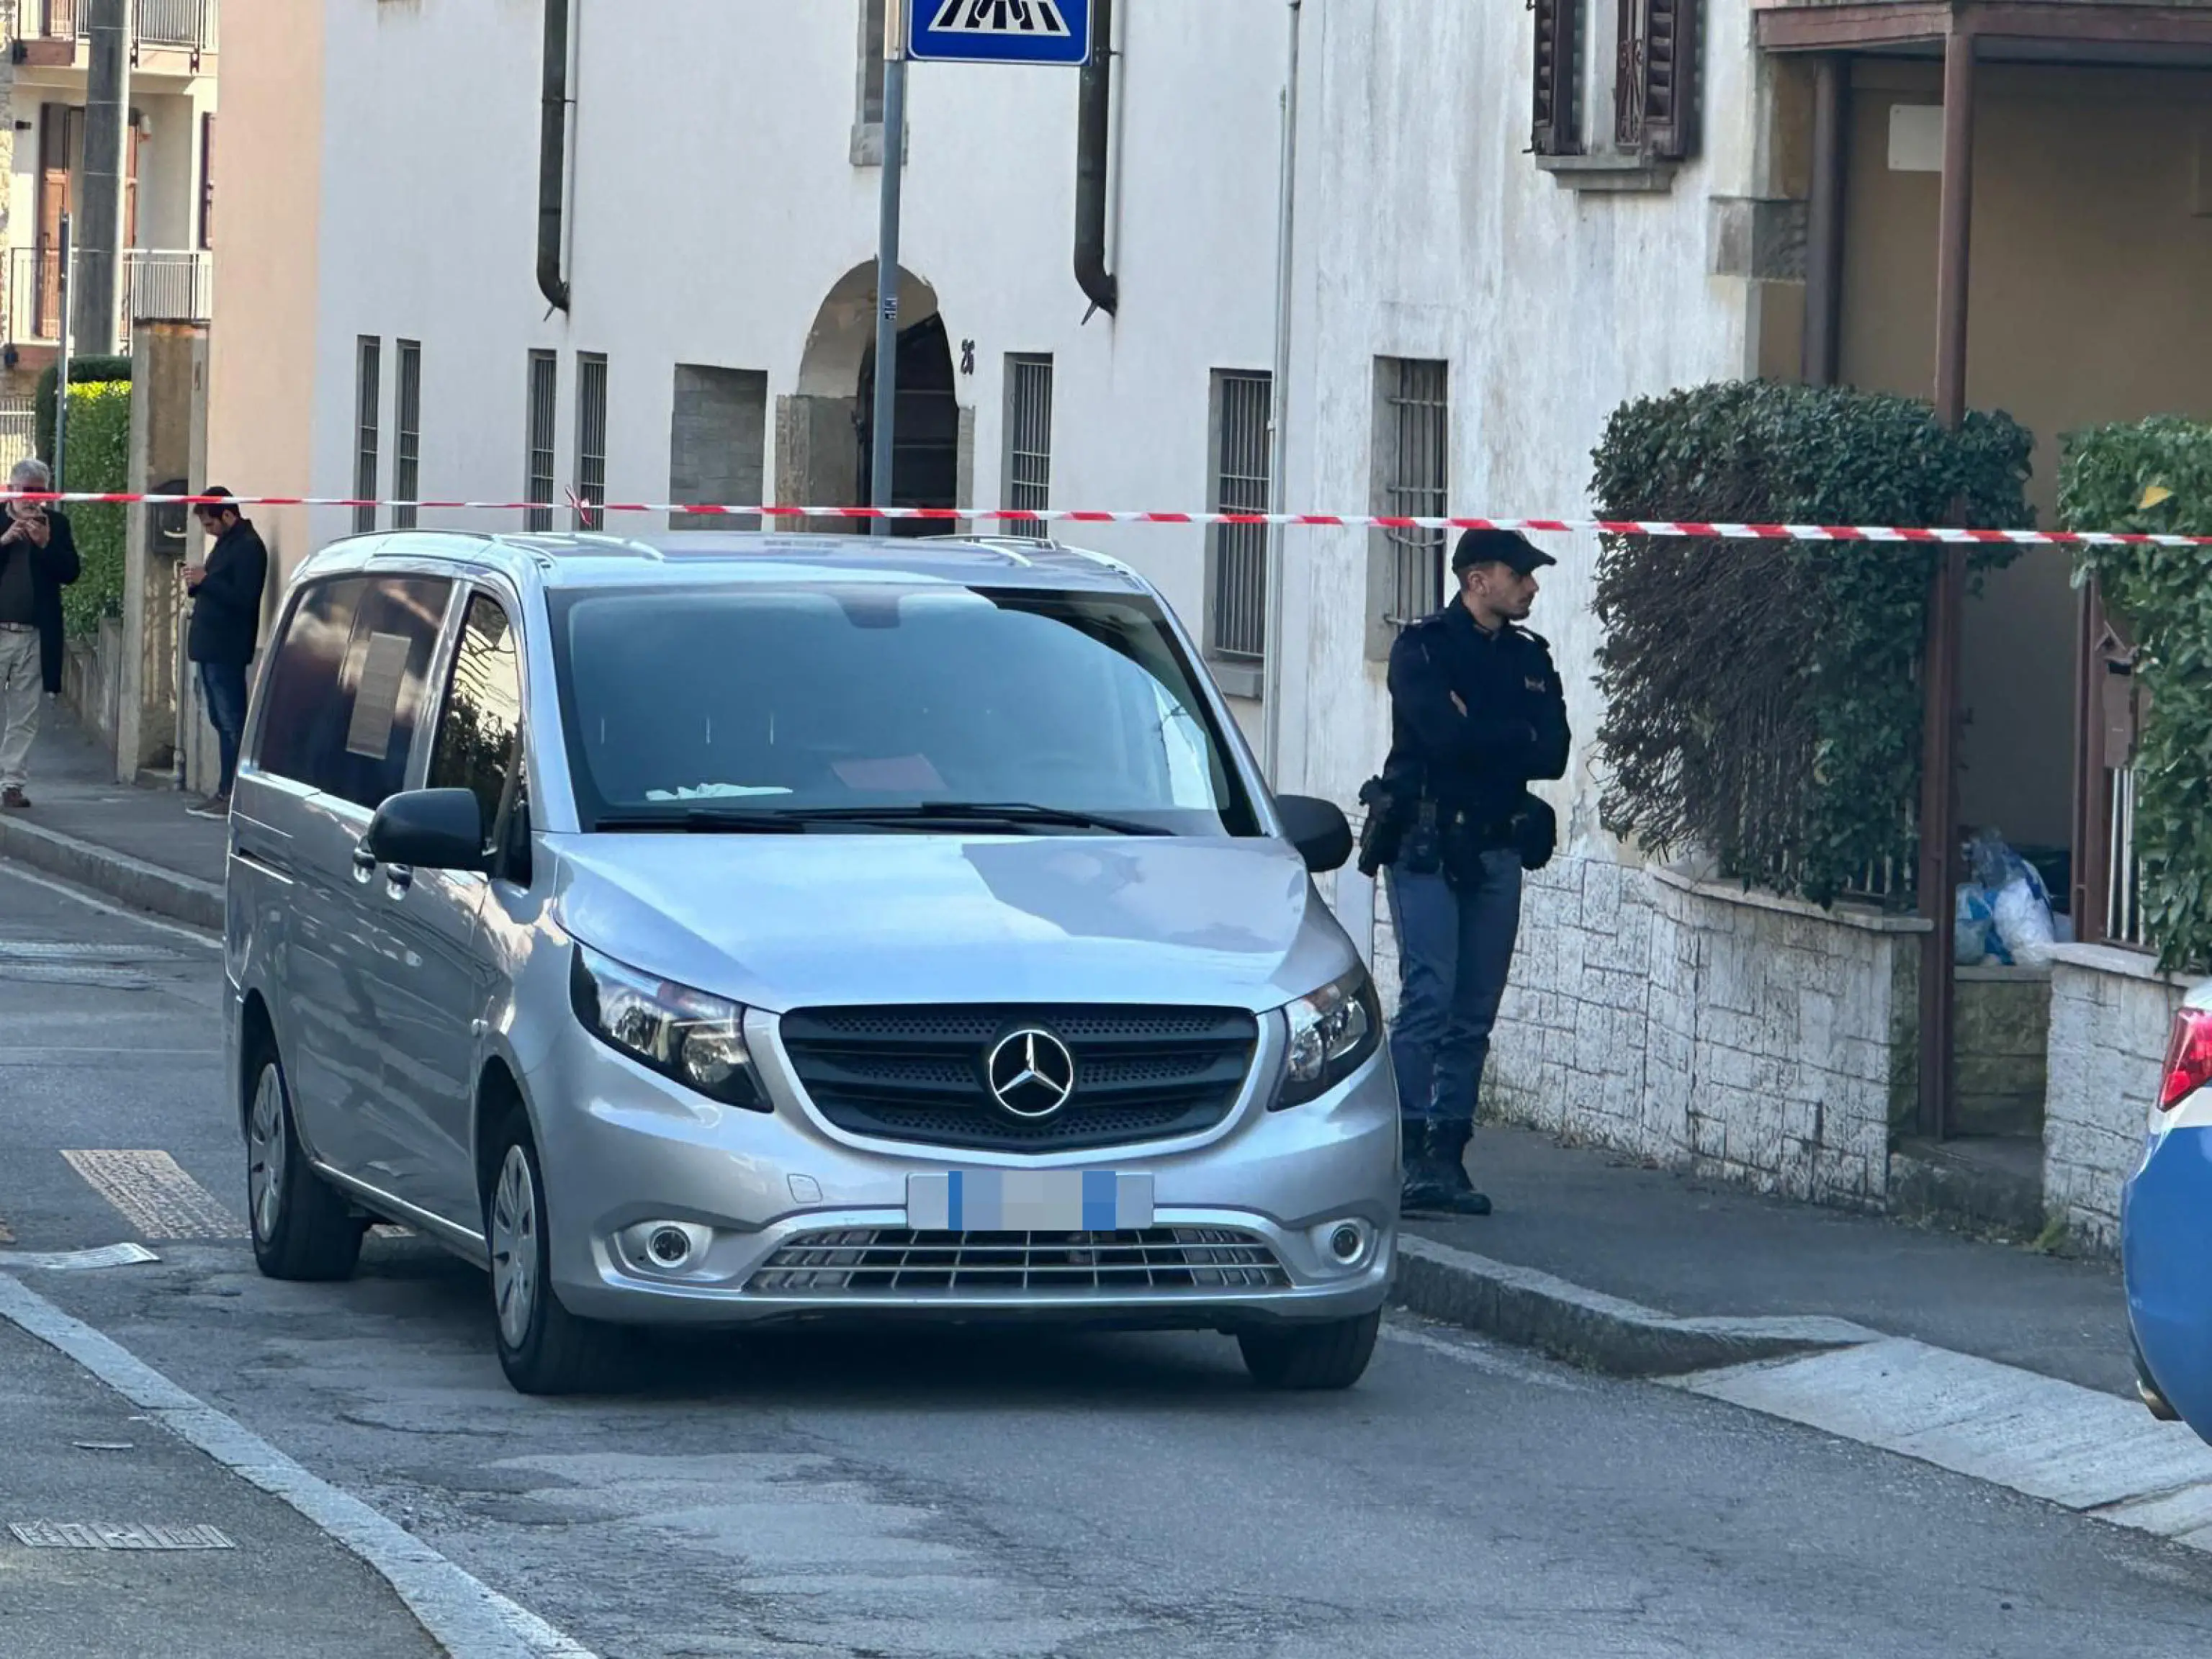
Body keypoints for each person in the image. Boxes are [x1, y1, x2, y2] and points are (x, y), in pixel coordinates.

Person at [1358, 529, 1570, 1216]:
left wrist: (1483, 730)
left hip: (1495, 847)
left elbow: (1555, 754)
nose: (1531, 586)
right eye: (1521, 574)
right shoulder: (1423, 648)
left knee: (1474, 1011)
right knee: (1429, 997)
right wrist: (1509, 735)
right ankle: (1405, 1150)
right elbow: (1441, 740)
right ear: (1478, 579)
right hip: (1425, 844)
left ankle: (1448, 1156)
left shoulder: (1529, 658)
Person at [0, 457, 81, 811]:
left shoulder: (57, 525)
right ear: (10, 489)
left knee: (24, 713)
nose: (31, 499)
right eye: (25, 491)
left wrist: (46, 545)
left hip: (34, 634)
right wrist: (3, 541)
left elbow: (71, 573)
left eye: (38, 492)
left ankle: (12, 783)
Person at [184, 487, 269, 819]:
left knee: (232, 721)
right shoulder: (225, 544)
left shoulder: (248, 548)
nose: (208, 531)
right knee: (221, 720)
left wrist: (207, 580)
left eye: (210, 524)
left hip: (227, 647)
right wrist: (198, 584)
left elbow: (244, 598)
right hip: (211, 646)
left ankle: (233, 793)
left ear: (228, 515)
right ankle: (224, 789)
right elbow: (219, 588)